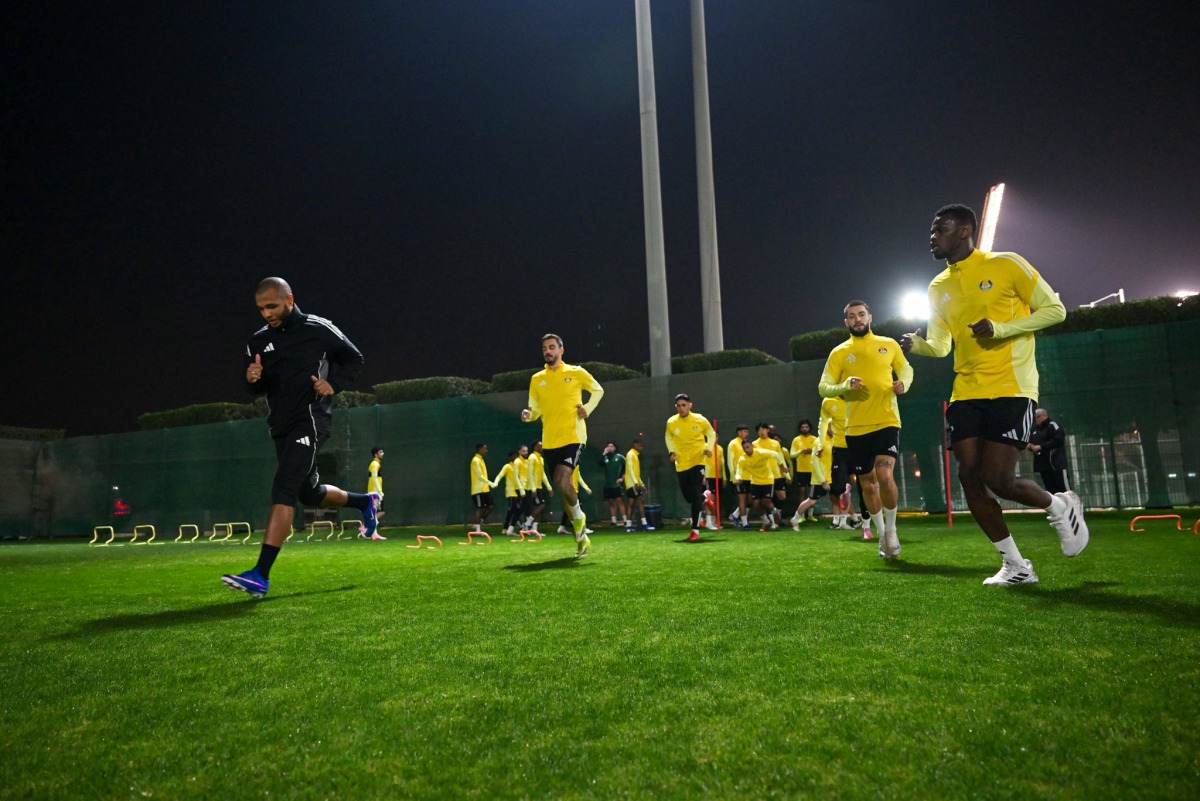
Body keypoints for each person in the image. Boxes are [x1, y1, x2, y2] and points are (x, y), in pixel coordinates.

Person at [901, 203, 1088, 585]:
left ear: (966, 230)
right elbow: (940, 346)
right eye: (933, 230)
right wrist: (917, 346)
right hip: (966, 391)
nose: (933, 236)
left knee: (998, 478)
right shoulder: (938, 287)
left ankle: (1060, 504)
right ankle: (1016, 566)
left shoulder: (1007, 264)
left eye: (942, 229)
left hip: (1011, 386)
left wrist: (1001, 329)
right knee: (970, 476)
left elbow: (1055, 311)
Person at [221, 277, 378, 598]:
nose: (266, 313)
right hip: (280, 425)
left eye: (272, 306)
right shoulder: (257, 341)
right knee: (309, 493)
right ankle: (365, 502)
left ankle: (260, 574)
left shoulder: (317, 328)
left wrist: (333, 383)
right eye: (261, 308)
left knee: (284, 488)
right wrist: (251, 379)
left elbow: (354, 358)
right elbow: (256, 384)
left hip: (310, 421)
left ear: (289, 299)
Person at [819, 300, 913, 559]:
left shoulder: (889, 344)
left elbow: (906, 368)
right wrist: (844, 385)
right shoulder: (839, 352)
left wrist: (903, 382)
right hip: (856, 428)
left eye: (861, 314)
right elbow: (824, 386)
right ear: (846, 322)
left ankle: (892, 530)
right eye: (851, 316)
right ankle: (881, 534)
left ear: (870, 316)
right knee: (868, 486)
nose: (857, 319)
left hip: (886, 420)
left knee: (885, 477)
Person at [521, 333, 604, 557]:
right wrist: (528, 415)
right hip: (550, 441)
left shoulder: (576, 372)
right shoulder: (537, 379)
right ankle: (581, 535)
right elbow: (535, 409)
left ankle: (579, 519)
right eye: (544, 348)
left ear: (561, 350)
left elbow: (598, 390)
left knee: (561, 479)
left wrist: (588, 407)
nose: (547, 351)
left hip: (574, 437)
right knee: (563, 489)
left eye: (551, 347)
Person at [664, 393, 717, 542]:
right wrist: (672, 451)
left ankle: (695, 530)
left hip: (698, 461)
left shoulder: (700, 419)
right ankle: (705, 497)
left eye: (684, 405)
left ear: (690, 405)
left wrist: (708, 448)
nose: (681, 408)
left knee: (693, 496)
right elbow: (668, 437)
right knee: (689, 497)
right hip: (681, 464)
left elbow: (711, 434)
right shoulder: (671, 422)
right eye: (678, 406)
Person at [734, 439, 779, 531]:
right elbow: (739, 471)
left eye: (748, 447)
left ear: (752, 446)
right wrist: (738, 477)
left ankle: (774, 512)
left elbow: (776, 454)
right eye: (744, 448)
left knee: (766, 502)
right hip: (755, 482)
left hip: (767, 481)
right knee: (756, 504)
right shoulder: (742, 459)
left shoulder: (761, 453)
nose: (747, 450)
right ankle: (765, 522)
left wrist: (782, 466)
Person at [1028, 408, 1070, 494]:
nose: (1035, 419)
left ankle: (1073, 506)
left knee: (1065, 491)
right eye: (1034, 417)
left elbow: (1058, 440)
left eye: (1037, 416)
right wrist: (1030, 446)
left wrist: (1041, 447)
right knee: (1051, 492)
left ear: (1044, 416)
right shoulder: (1034, 429)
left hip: (1056, 465)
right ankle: (1058, 507)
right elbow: (1030, 443)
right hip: (1043, 466)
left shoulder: (1052, 426)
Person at [492, 451, 528, 536]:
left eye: (517, 455)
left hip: (519, 491)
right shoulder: (507, 466)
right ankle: (507, 528)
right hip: (511, 492)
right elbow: (499, 475)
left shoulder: (519, 465)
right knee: (513, 509)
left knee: (517, 509)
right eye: (514, 456)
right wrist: (496, 482)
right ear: (510, 457)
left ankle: (515, 526)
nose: (516, 457)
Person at [789, 420, 818, 523]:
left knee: (812, 494)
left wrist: (812, 451)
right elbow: (791, 455)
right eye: (802, 427)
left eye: (806, 427)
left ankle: (810, 515)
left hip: (813, 470)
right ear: (800, 429)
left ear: (809, 428)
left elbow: (820, 453)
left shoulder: (815, 439)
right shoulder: (796, 440)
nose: (804, 429)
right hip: (800, 471)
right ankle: (801, 515)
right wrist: (801, 451)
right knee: (800, 493)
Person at [624, 438, 654, 531]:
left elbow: (636, 473)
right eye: (640, 445)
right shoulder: (630, 454)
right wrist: (636, 483)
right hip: (631, 483)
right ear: (635, 444)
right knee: (640, 502)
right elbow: (630, 469)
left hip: (634, 482)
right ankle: (644, 524)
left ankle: (628, 525)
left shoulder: (635, 455)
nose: (641, 447)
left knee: (632, 503)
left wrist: (642, 484)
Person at [597, 441, 628, 527]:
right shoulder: (605, 458)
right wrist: (604, 453)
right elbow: (599, 462)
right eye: (608, 446)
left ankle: (625, 520)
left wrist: (622, 478)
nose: (609, 447)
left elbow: (627, 468)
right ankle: (613, 521)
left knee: (620, 501)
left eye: (611, 446)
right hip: (608, 484)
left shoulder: (620, 457)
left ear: (615, 448)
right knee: (611, 502)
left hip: (616, 484)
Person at [726, 425, 752, 526]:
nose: (746, 433)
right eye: (745, 431)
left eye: (747, 431)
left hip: (750, 476)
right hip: (739, 476)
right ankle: (745, 523)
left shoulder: (748, 444)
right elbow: (730, 461)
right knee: (742, 498)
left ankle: (735, 515)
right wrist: (733, 476)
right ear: (739, 432)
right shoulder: (733, 443)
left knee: (750, 500)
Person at [524, 440, 553, 533]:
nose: (542, 447)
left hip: (539, 486)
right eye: (540, 446)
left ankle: (534, 530)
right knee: (541, 505)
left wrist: (549, 487)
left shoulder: (540, 458)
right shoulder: (532, 457)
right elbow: (530, 473)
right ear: (535, 447)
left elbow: (543, 474)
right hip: (533, 487)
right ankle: (527, 524)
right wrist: (533, 488)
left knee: (537, 507)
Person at [556, 465, 594, 535]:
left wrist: (586, 487)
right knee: (577, 509)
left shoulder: (576, 464)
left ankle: (562, 527)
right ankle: (581, 528)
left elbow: (578, 475)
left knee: (570, 509)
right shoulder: (567, 465)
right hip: (570, 490)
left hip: (574, 490)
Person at [361, 446, 387, 538]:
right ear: (376, 454)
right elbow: (374, 477)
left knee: (375, 511)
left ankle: (374, 534)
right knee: (381, 511)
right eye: (380, 452)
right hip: (375, 493)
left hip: (375, 492)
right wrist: (379, 492)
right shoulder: (375, 464)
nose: (383, 453)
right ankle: (366, 526)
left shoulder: (376, 463)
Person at [470, 443, 494, 532]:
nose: (486, 451)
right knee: (479, 508)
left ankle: (479, 521)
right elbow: (480, 476)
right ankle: (477, 529)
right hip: (477, 490)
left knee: (491, 506)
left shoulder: (481, 460)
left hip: (485, 489)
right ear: (480, 449)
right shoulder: (475, 460)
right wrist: (491, 483)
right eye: (484, 449)